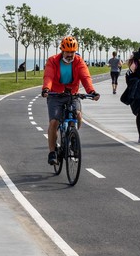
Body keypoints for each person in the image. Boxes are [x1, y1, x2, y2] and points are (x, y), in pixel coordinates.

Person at [42, 36, 100, 166]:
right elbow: (49, 76)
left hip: (72, 94)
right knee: (54, 122)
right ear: (62, 50)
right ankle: (52, 152)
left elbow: (85, 77)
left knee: (78, 115)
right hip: (55, 94)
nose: (70, 55)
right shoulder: (53, 61)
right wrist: (46, 89)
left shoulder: (79, 62)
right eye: (67, 52)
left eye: (72, 52)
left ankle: (73, 137)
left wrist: (91, 91)